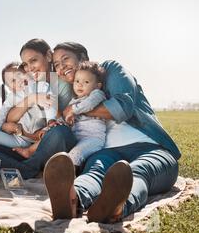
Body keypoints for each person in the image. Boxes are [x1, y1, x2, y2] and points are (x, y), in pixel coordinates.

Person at [43, 42, 180, 222]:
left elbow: (123, 107)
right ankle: (73, 198)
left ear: (83, 57)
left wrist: (78, 109)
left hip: (149, 146)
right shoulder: (74, 94)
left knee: (137, 171)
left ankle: (117, 206)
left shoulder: (110, 69)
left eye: (65, 59)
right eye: (57, 65)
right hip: (106, 151)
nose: (61, 68)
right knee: (94, 172)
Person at [0, 39, 78, 179]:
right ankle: (30, 168)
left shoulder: (60, 84)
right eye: (26, 64)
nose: (30, 68)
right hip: (25, 148)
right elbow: (10, 117)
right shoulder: (29, 85)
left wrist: (22, 132)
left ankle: (28, 168)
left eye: (33, 61)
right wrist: (31, 99)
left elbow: (54, 127)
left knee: (60, 132)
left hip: (47, 146)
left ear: (48, 56)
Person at [64, 61, 107, 174]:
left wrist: (73, 110)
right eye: (77, 81)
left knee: (76, 153)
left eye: (86, 82)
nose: (80, 85)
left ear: (97, 85)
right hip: (77, 137)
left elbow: (89, 104)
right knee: (67, 153)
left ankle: (67, 177)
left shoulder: (97, 94)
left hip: (93, 138)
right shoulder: (74, 101)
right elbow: (67, 115)